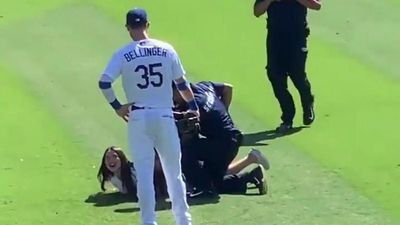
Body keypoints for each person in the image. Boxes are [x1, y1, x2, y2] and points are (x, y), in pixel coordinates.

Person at [98, 7, 198, 225]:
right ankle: (183, 221)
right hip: (164, 116)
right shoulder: (167, 49)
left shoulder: (123, 53)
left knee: (144, 174)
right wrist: (193, 105)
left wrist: (118, 107)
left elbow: (104, 82)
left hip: (138, 119)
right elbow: (182, 84)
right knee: (174, 173)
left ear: (127, 28)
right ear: (147, 25)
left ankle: (148, 222)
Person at [173, 81, 270, 197]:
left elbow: (187, 139)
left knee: (184, 150)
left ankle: (203, 189)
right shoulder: (204, 86)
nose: (172, 100)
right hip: (230, 138)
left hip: (224, 144)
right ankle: (253, 176)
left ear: (181, 92)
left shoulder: (196, 106)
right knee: (215, 182)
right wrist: (224, 113)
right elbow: (228, 88)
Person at [253, 0, 321, 132]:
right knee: (275, 76)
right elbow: (257, 12)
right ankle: (288, 117)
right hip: (275, 37)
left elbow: (316, 5)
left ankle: (308, 102)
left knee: (297, 75)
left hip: (297, 36)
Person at [97, 146, 168, 199]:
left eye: (115, 156)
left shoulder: (134, 172)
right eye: (107, 157)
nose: (111, 160)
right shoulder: (112, 178)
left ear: (122, 158)